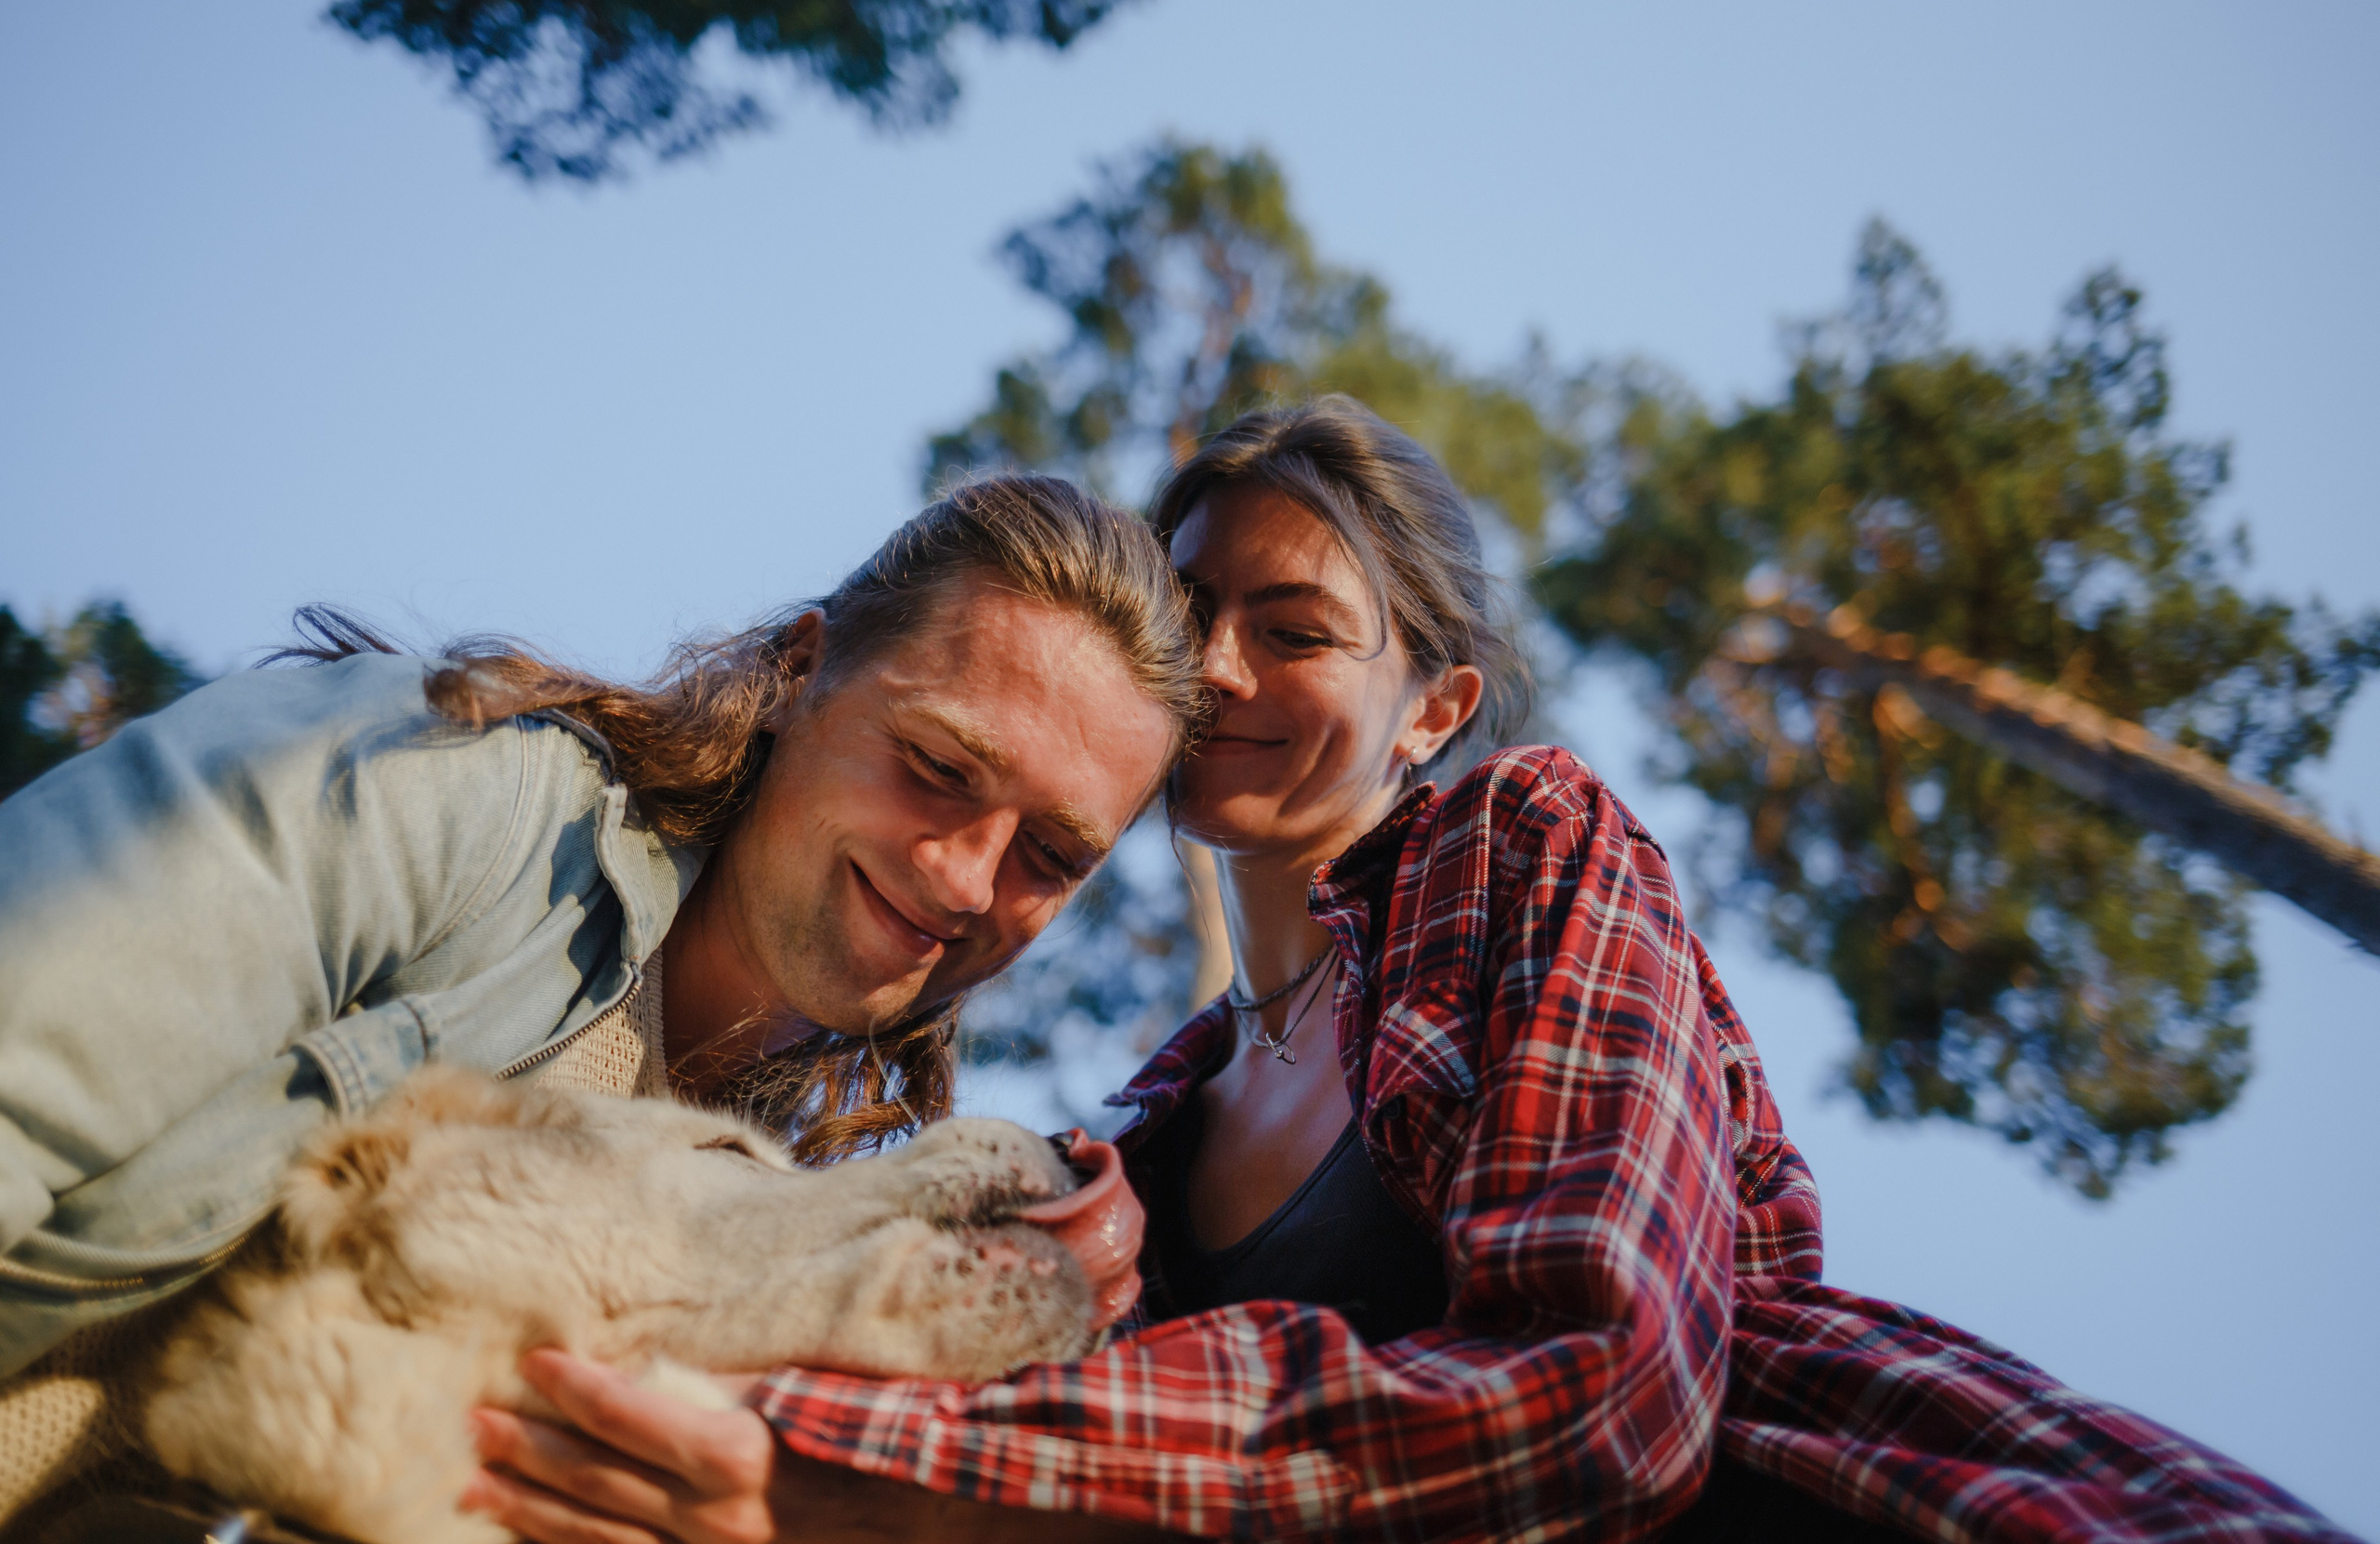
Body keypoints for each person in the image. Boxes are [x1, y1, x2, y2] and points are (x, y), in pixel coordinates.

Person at [471, 397, 2357, 1544]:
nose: (1209, 670)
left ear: (1428, 705)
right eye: (1185, 616)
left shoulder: (1521, 844)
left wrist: (884, 1483)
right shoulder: (1141, 1120)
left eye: (1287, 628)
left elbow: (1594, 1386)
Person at [0, 474, 1204, 1515]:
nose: (965, 874)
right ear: (800, 670)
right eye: (936, 767)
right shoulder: (456, 797)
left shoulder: (755, 1219)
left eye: (1050, 855)